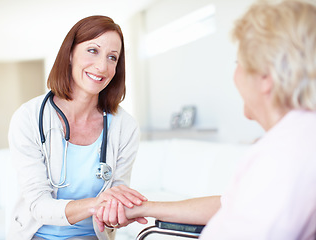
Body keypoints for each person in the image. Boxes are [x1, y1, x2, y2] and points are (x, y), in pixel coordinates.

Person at [93, 0, 316, 238]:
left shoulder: (282, 157)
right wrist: (144, 207)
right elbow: (230, 204)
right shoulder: (296, 139)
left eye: (238, 63)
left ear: (265, 76)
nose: (235, 75)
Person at [7, 15, 147, 240]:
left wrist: (118, 210)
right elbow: (38, 205)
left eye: (112, 57)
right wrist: (97, 204)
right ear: (70, 53)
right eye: (93, 50)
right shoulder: (29, 118)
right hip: (37, 235)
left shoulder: (125, 126)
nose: (102, 66)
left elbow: (117, 196)